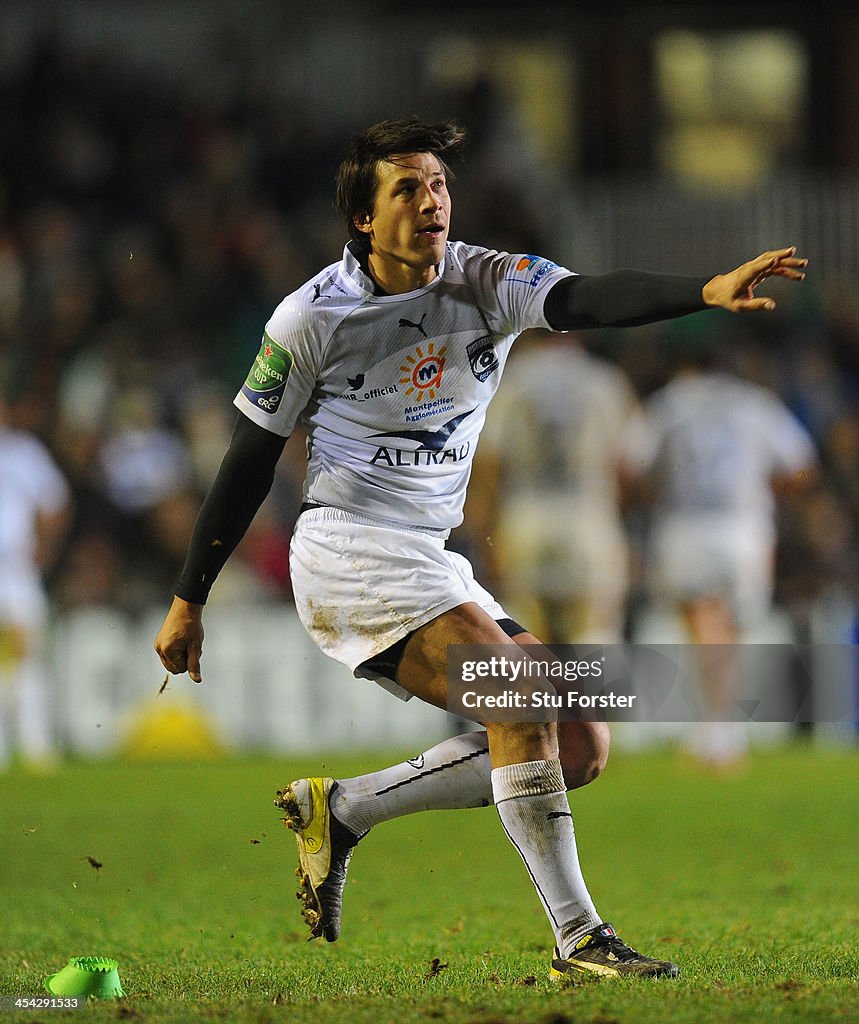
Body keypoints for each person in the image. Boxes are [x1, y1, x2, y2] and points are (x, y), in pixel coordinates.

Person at [154, 119, 807, 980]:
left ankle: (344, 809)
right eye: (407, 189)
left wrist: (704, 288)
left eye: (438, 186)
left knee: (579, 745)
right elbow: (247, 458)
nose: (432, 203)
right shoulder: (310, 315)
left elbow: (583, 299)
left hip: (429, 554)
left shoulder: (485, 277)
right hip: (350, 550)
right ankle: (580, 938)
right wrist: (189, 595)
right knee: (523, 692)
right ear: (361, 215)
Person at [621, 329, 817, 768]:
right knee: (731, 626)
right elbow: (802, 467)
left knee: (705, 623)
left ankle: (717, 729)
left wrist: (657, 492)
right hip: (745, 528)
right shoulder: (755, 402)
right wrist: (767, 492)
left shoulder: (669, 404)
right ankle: (720, 727)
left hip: (685, 526)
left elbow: (630, 466)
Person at [469, 328, 639, 644]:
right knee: (595, 631)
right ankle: (596, 694)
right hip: (588, 515)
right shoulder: (605, 379)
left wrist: (486, 536)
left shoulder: (512, 377)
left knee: (524, 630)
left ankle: (534, 694)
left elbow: (489, 466)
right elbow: (626, 468)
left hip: (525, 516)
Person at [0, 396, 71, 770]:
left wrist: (44, 548)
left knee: (28, 657)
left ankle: (36, 744)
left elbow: (56, 502)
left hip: (15, 572)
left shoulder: (23, 452)